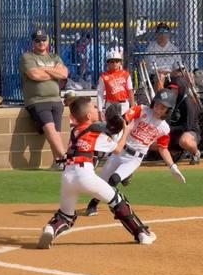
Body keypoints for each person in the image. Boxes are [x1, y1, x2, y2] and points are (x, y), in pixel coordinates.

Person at [37, 96, 157, 248]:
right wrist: (126, 131)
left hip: (68, 176)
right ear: (88, 115)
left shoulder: (75, 131)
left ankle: (51, 229)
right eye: (93, 107)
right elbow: (118, 149)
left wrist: (112, 129)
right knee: (117, 200)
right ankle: (142, 234)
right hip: (85, 176)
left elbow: (95, 136)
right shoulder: (96, 133)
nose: (96, 109)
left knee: (66, 215)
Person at [85, 88, 186, 217]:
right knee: (101, 181)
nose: (158, 108)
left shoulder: (164, 128)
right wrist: (115, 125)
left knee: (114, 179)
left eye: (163, 107)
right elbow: (125, 119)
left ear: (168, 110)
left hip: (135, 158)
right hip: (121, 151)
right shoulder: (142, 110)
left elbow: (162, 148)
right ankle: (96, 201)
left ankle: (103, 204)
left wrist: (172, 166)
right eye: (157, 104)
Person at [19, 29, 68, 170]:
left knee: (56, 133)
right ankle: (65, 158)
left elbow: (64, 73)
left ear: (48, 41)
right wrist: (53, 72)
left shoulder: (55, 57)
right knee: (50, 129)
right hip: (37, 101)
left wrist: (45, 70)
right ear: (33, 43)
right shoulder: (27, 57)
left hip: (56, 100)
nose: (41, 43)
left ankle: (57, 162)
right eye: (37, 40)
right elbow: (34, 75)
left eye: (43, 40)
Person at [168, 76, 201, 165]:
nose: (172, 91)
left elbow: (187, 126)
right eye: (171, 88)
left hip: (189, 132)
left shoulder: (188, 103)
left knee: (185, 141)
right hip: (173, 131)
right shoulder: (170, 101)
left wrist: (170, 129)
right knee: (151, 141)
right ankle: (174, 152)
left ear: (181, 88)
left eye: (175, 89)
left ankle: (196, 153)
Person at [97, 50, 135, 120]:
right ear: (107, 63)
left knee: (124, 126)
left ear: (120, 63)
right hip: (111, 105)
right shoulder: (103, 77)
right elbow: (100, 94)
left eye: (117, 61)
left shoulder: (126, 74)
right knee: (111, 128)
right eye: (112, 61)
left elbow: (130, 91)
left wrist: (133, 107)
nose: (115, 63)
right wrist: (99, 111)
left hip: (124, 105)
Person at [145, 22, 183, 90]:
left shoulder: (174, 48)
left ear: (168, 34)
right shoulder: (150, 48)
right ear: (156, 34)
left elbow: (178, 66)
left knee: (188, 75)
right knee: (160, 76)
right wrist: (167, 72)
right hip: (157, 75)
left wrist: (178, 71)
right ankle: (158, 99)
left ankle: (189, 98)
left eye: (165, 33)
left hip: (172, 75)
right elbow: (152, 69)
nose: (163, 35)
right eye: (160, 33)